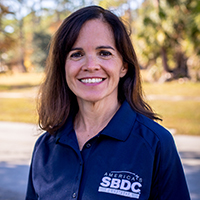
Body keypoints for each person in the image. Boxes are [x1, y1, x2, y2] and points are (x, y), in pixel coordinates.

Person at [25, 5, 190, 200]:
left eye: (104, 53)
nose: (91, 66)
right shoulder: (46, 147)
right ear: (63, 67)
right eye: (76, 54)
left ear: (124, 66)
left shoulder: (156, 143)